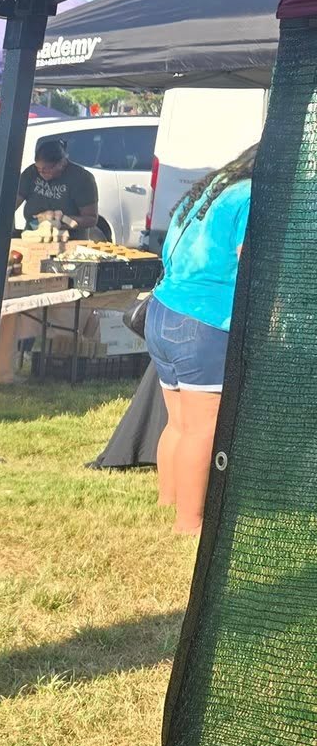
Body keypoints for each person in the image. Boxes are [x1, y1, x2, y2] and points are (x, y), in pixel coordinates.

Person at [145, 144, 256, 537]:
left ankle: (168, 501)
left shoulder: (213, 189)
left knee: (177, 422)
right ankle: (188, 524)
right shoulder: (251, 195)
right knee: (202, 428)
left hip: (162, 311)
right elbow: (251, 257)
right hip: (204, 322)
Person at [16, 134, 104, 239]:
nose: (42, 172)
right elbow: (15, 201)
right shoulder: (31, 173)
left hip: (70, 238)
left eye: (47, 169)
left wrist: (62, 220)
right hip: (34, 233)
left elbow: (91, 219)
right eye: (39, 169)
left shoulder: (82, 178)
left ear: (62, 163)